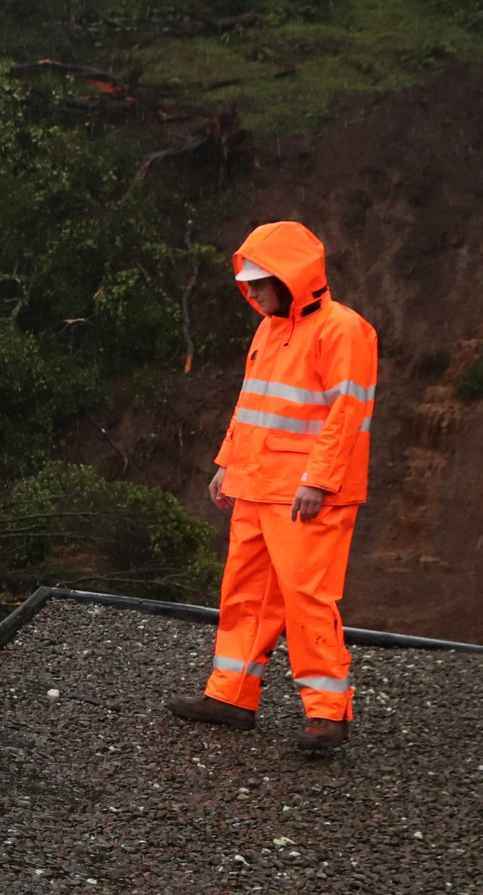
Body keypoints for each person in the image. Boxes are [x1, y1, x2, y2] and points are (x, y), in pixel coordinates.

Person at [166, 220, 378, 754]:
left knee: (307, 600)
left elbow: (346, 414)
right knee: (243, 594)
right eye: (251, 282)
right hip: (258, 484)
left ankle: (329, 715)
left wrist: (319, 481)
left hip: (307, 494)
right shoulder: (269, 328)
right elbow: (252, 405)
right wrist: (227, 465)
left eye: (261, 281)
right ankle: (231, 697)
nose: (253, 291)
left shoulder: (343, 329)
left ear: (293, 277)